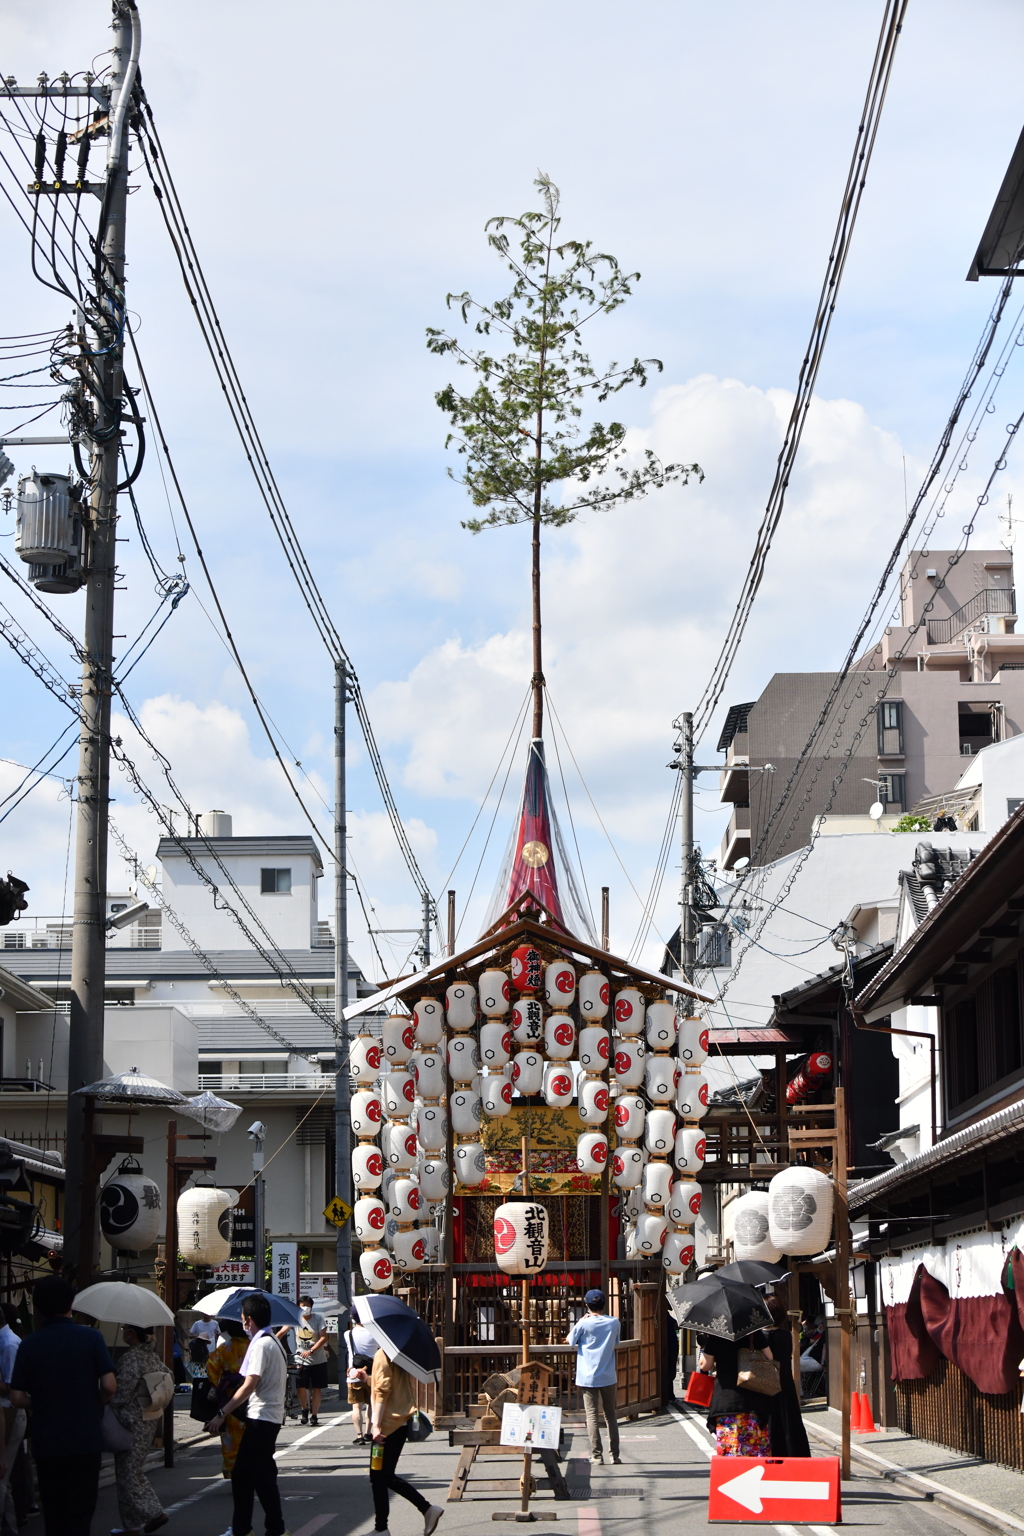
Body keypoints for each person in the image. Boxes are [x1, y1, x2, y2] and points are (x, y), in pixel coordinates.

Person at [9, 1274, 116, 1536]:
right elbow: (109, 1386)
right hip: (85, 1438)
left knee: (54, 1515)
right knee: (80, 1514)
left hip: (47, 1440)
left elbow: (16, 1397)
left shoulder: (30, 1343)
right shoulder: (91, 1338)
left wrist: (42, 1403)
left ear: (39, 1307)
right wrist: (92, 1402)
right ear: (70, 1304)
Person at [204, 1291, 288, 1536]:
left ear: (249, 1319)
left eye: (243, 1317)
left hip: (262, 1418)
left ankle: (267, 1529)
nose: (242, 1322)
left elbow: (249, 1385)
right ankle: (256, 1528)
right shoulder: (272, 1341)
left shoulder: (261, 1344)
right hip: (267, 1417)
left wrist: (222, 1412)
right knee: (252, 1477)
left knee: (253, 1477)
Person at [350, 1349, 443, 1536]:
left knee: (382, 1476)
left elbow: (383, 1390)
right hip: (398, 1422)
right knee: (380, 1477)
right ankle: (383, 1527)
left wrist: (375, 1425)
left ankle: (424, 1510)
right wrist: (366, 1378)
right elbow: (383, 1384)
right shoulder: (397, 1354)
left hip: (387, 1425)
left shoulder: (383, 1354)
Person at [108, 1324, 168, 1536]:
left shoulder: (131, 1358)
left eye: (125, 1329)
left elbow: (121, 1393)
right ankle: (131, 1525)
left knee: (128, 1473)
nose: (123, 1332)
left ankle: (153, 1512)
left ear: (132, 1334)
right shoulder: (151, 1356)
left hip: (130, 1420)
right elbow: (168, 1378)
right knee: (132, 1470)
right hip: (149, 1419)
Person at [695, 1327, 774, 1457]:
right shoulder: (753, 1332)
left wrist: (707, 1346)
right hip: (752, 1395)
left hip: (727, 1397)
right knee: (755, 1448)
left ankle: (732, 1474)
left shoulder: (717, 1334)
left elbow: (705, 1365)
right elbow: (769, 1357)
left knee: (730, 1448)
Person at [565, 1288, 621, 1466]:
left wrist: (581, 1321)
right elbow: (617, 1342)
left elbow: (570, 1340)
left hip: (588, 1376)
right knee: (610, 1415)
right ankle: (615, 1455)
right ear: (604, 1304)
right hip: (608, 1375)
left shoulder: (584, 1324)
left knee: (592, 1415)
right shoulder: (614, 1323)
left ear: (587, 1305)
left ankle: (597, 1455)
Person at [763, 1292, 810, 1458]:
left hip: (762, 1384)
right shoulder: (788, 1336)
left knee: (767, 1422)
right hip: (784, 1381)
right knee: (789, 1422)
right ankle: (792, 1454)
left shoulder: (758, 1336)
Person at [206, 1319, 248, 1478]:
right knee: (250, 1436)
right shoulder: (254, 1346)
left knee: (231, 1434)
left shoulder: (225, 1348)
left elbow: (211, 1368)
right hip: (251, 1395)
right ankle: (250, 1471)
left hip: (229, 1398)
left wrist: (221, 1384)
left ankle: (231, 1469)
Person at [0, 1302, 22, 1536]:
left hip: (9, 1412)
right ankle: (9, 1528)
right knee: (3, 1477)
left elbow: (11, 1385)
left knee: (2, 1475)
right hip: (7, 1411)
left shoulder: (9, 1344)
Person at [294, 1296, 329, 1425]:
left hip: (318, 1360)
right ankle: (304, 1409)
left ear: (311, 1307)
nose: (305, 1308)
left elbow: (324, 1337)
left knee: (316, 1388)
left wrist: (312, 1350)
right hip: (300, 1360)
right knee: (300, 1387)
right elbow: (283, 1331)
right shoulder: (295, 1319)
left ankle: (314, 1415)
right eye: (302, 1305)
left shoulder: (318, 1319)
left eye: (307, 1305)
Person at [345, 1321, 377, 1445]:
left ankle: (359, 1435)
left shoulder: (348, 1334)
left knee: (356, 1406)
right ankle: (369, 1432)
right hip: (371, 1374)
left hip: (354, 1374)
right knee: (371, 1405)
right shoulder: (374, 1333)